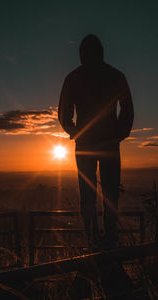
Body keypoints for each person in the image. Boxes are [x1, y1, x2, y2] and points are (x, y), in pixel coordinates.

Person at [58, 34, 134, 250]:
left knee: (88, 192)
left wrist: (76, 133)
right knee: (110, 192)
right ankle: (109, 236)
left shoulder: (73, 78)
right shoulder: (115, 75)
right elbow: (127, 110)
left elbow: (64, 116)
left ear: (82, 54)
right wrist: (119, 134)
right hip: (107, 145)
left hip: (87, 145)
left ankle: (92, 238)